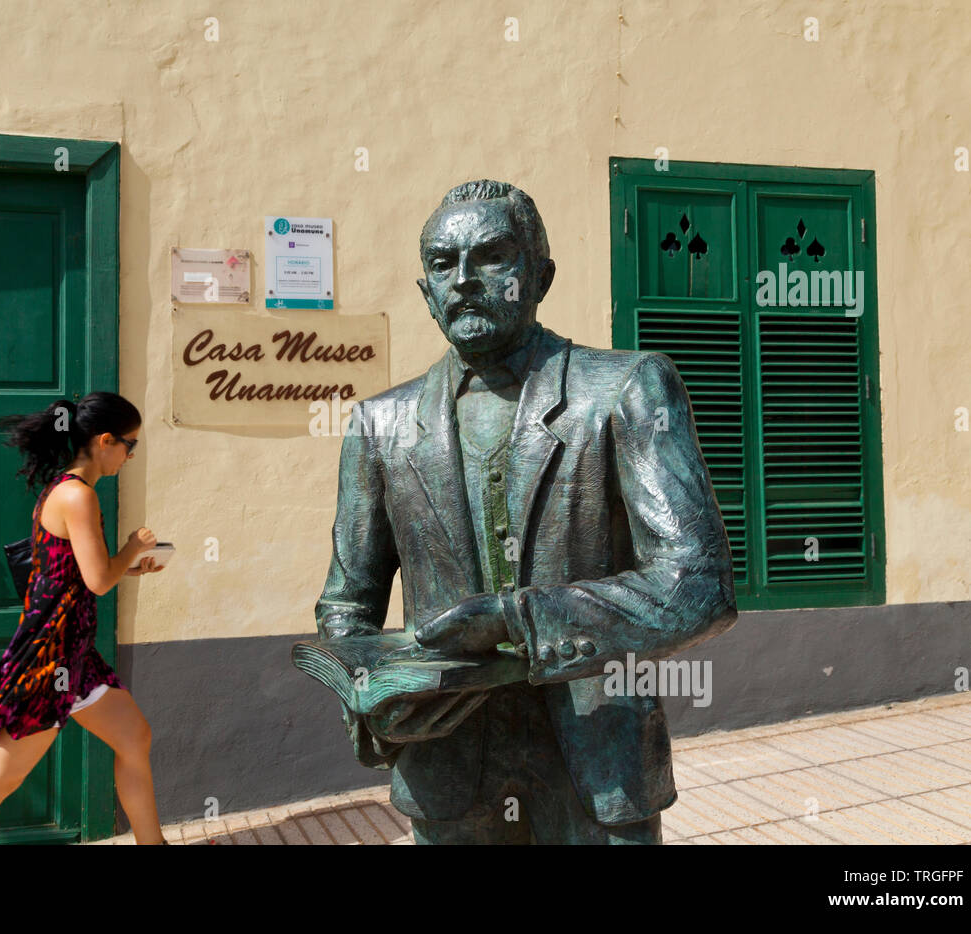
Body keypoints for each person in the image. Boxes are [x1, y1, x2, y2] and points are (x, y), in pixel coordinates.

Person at [313, 179, 737, 844]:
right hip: (447, 769)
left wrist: (520, 619)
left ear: (539, 276)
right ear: (425, 291)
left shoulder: (626, 389)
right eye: (442, 264)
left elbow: (698, 584)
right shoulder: (379, 425)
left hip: (597, 766)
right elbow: (347, 603)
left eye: (490, 257)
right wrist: (370, 691)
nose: (463, 281)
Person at [0, 392, 168, 845]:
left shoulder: (65, 490)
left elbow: (82, 574)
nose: (130, 455)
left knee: (134, 737)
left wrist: (132, 565)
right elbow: (100, 579)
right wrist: (132, 547)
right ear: (105, 441)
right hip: (49, 660)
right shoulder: (77, 496)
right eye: (130, 445)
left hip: (75, 656)